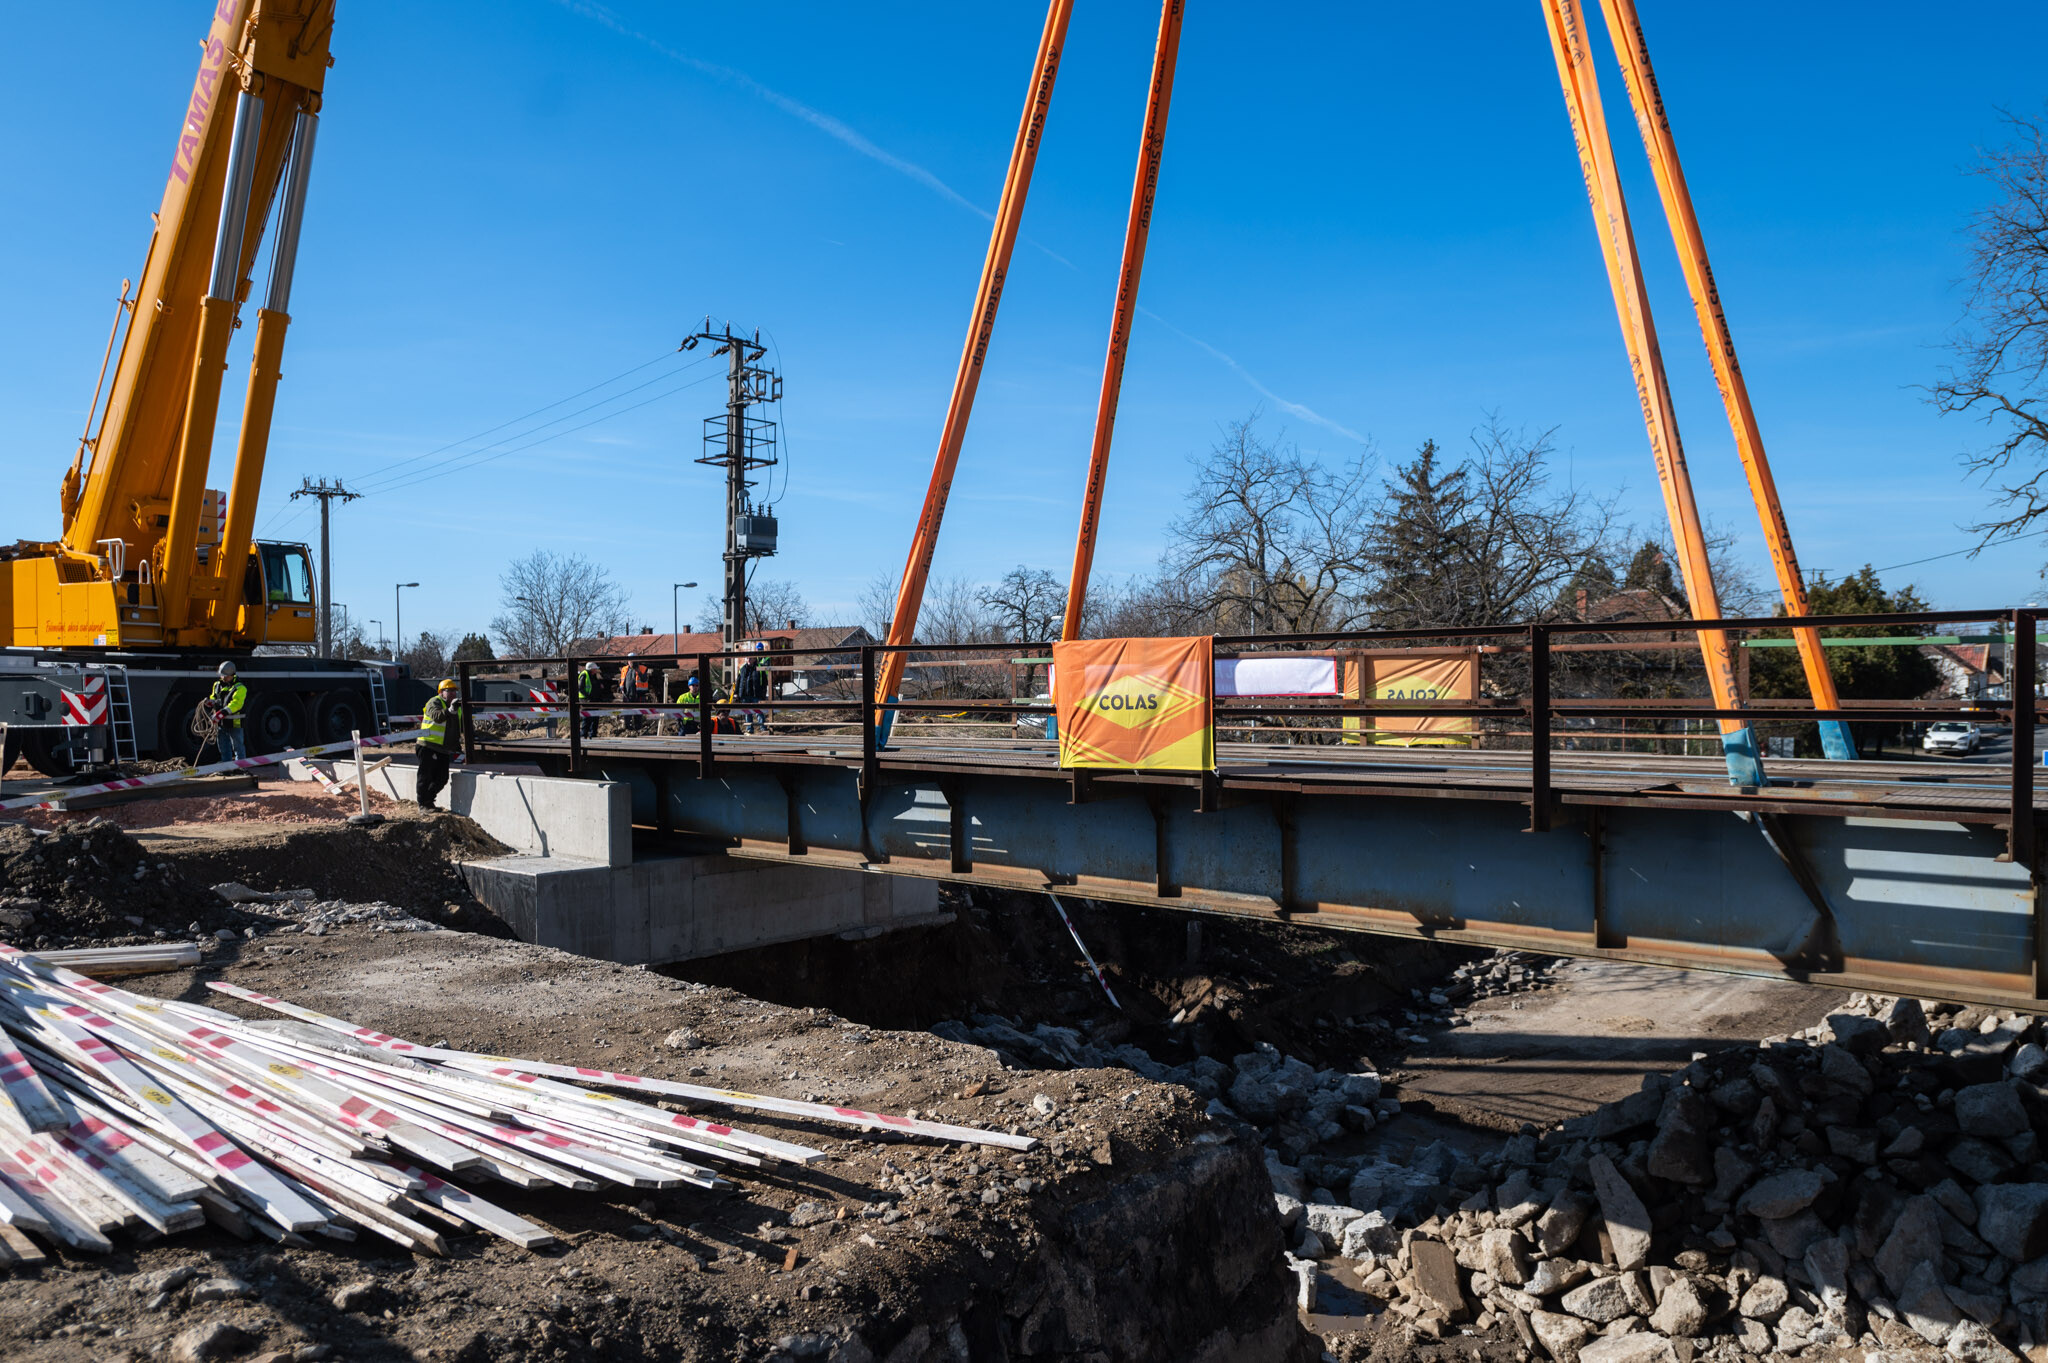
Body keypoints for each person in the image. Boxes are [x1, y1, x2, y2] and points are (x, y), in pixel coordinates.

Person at [415, 677, 466, 810]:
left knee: (442, 778)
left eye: (454, 691)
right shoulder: (434, 702)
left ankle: (428, 801)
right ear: (441, 692)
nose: (453, 693)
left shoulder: (456, 707)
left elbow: (456, 728)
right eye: (449, 691)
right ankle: (423, 804)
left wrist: (457, 747)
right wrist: (450, 710)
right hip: (427, 745)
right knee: (425, 776)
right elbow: (437, 717)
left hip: (443, 748)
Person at [205, 661, 249, 761]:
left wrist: (222, 713)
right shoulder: (217, 685)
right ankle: (227, 767)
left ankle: (241, 767)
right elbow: (214, 697)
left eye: (225, 676)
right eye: (221, 675)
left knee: (238, 748)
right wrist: (211, 702)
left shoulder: (240, 688)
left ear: (231, 675)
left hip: (235, 723)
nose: (223, 677)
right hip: (221, 723)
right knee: (223, 748)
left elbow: (236, 704)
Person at [734, 656, 768, 734]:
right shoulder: (742, 668)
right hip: (745, 695)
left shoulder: (760, 668)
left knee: (759, 712)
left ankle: (763, 728)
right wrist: (736, 693)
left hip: (756, 694)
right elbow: (738, 681)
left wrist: (763, 694)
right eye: (747, 658)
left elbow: (764, 682)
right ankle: (749, 729)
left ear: (754, 659)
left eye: (750, 658)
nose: (748, 659)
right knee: (747, 712)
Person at [577, 661, 601, 739]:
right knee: (587, 717)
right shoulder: (584, 675)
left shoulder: (593, 675)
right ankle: (583, 734)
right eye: (595, 669)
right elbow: (580, 688)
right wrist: (588, 697)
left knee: (595, 717)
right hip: (585, 700)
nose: (596, 670)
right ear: (591, 669)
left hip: (593, 699)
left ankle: (593, 734)